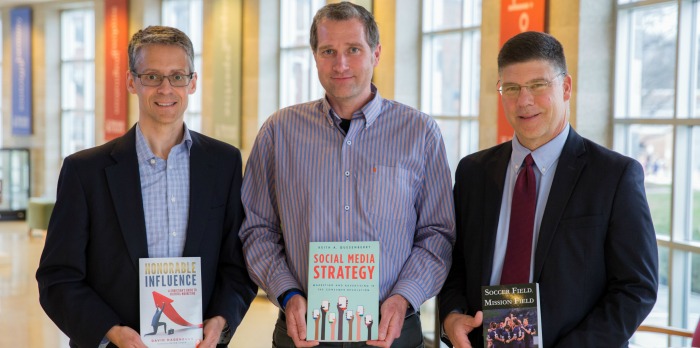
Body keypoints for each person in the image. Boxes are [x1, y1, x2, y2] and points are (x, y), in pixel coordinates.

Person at [239, 2, 455, 347]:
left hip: (393, 329)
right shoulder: (278, 133)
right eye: (328, 51)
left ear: (376, 53)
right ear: (314, 55)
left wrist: (404, 297)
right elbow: (257, 229)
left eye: (353, 49)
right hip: (303, 331)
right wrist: (287, 292)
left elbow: (437, 234)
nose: (340, 64)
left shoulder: (420, 133)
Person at [36, 25, 257, 348]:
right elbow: (58, 277)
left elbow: (236, 264)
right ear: (131, 82)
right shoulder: (85, 172)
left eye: (177, 76)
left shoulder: (223, 164)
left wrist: (222, 319)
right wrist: (111, 332)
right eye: (152, 76)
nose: (166, 88)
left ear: (192, 82)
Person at [438, 31, 658, 347]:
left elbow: (637, 288)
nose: (523, 100)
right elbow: (453, 262)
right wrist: (451, 316)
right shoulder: (473, 172)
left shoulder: (614, 176)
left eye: (538, 85)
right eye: (511, 88)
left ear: (566, 87)